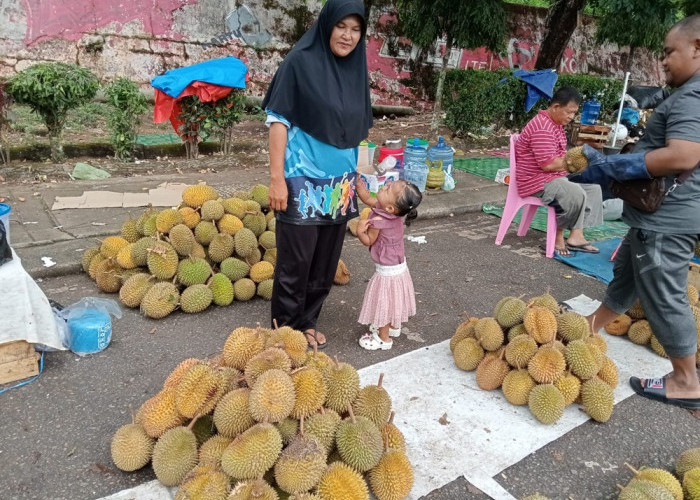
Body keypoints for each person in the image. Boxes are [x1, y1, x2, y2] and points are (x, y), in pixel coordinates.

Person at [587, 15, 700, 409]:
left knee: (663, 295)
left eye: (669, 52)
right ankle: (593, 325)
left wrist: (614, 166)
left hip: (668, 220)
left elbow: (684, 155)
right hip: (659, 216)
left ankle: (687, 380)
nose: (663, 60)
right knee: (630, 272)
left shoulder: (692, 97)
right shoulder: (688, 96)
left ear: (697, 48)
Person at [262, 0, 373, 349]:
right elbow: (278, 121)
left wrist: (359, 178)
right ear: (327, 24)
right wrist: (277, 179)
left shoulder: (357, 72)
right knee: (296, 264)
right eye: (342, 26)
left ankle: (307, 322)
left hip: (338, 188)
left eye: (356, 29)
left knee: (324, 265)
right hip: (300, 183)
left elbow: (354, 131)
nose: (348, 36)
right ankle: (286, 332)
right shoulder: (299, 63)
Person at [515, 86, 604, 257]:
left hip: (552, 178)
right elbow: (548, 164)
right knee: (574, 192)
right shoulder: (543, 126)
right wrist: (575, 163)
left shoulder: (555, 124)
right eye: (569, 112)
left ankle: (576, 235)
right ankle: (556, 237)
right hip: (535, 180)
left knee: (594, 190)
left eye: (574, 113)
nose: (571, 117)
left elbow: (560, 157)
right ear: (556, 107)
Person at [355, 178, 423, 350]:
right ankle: (394, 326)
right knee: (394, 297)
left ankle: (383, 338)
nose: (384, 186)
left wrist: (360, 231)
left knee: (384, 301)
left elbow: (369, 240)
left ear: (390, 208)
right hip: (399, 266)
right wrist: (359, 186)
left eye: (387, 189)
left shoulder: (379, 220)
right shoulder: (391, 213)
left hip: (387, 270)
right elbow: (369, 199)